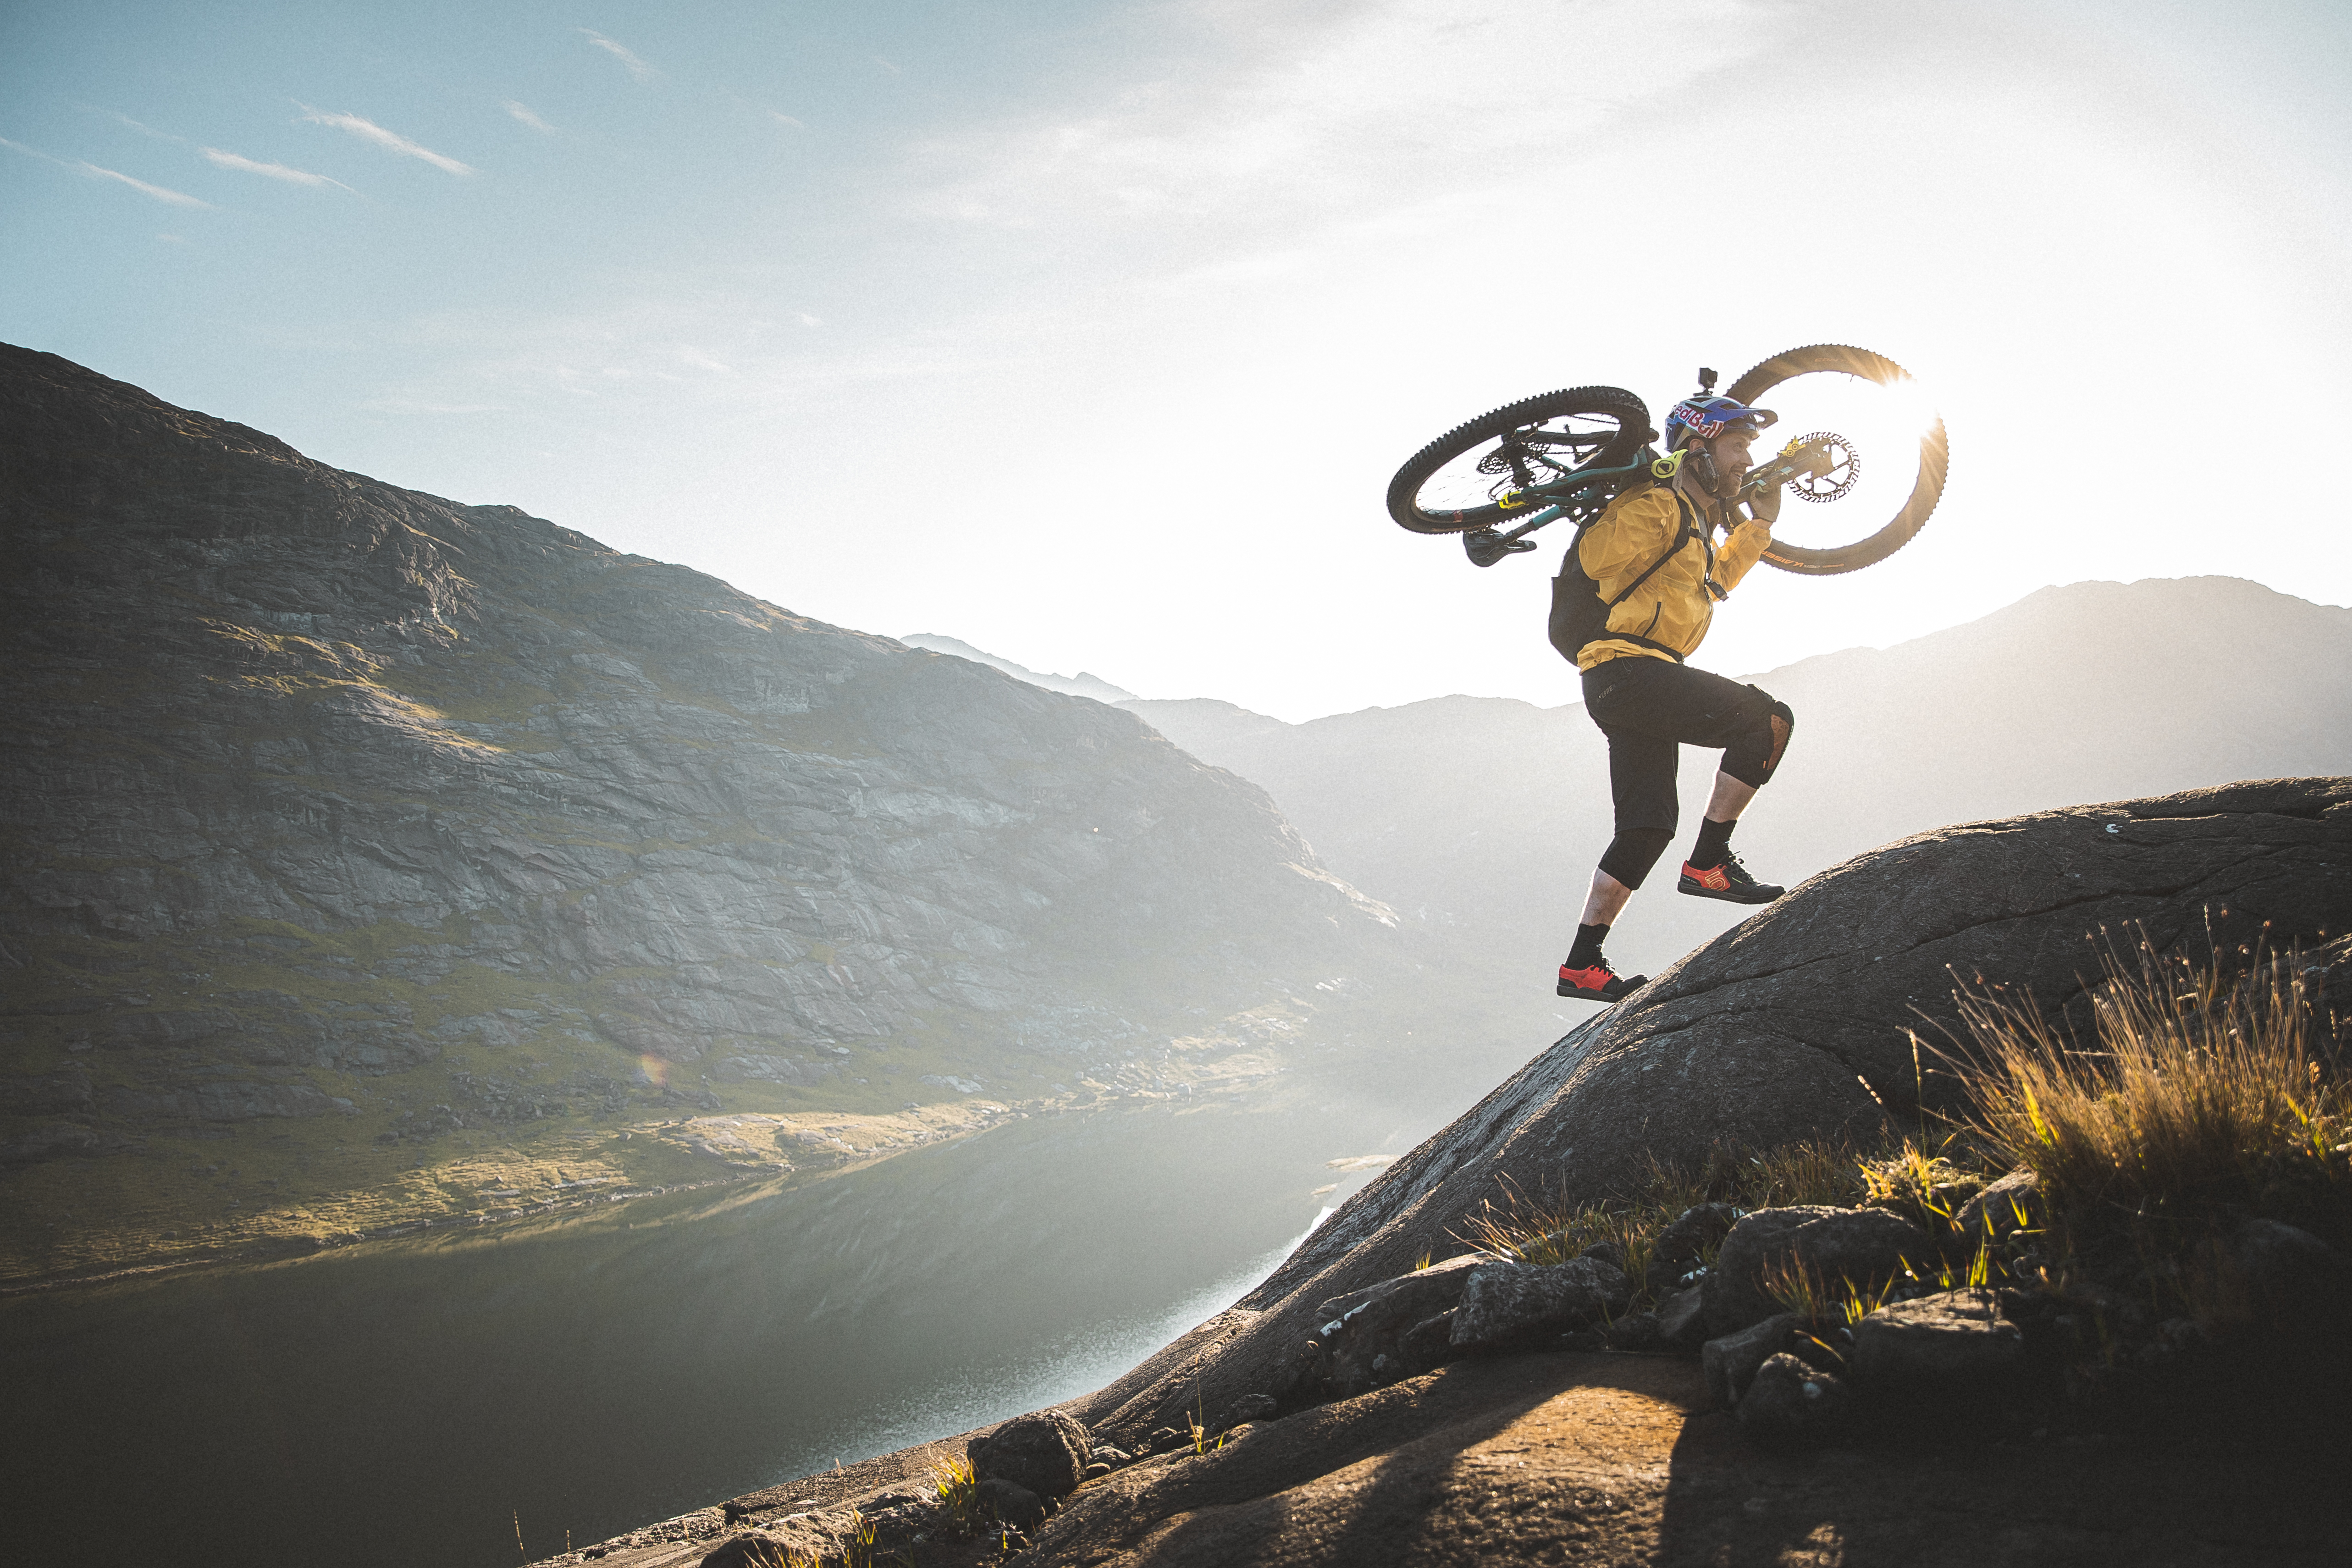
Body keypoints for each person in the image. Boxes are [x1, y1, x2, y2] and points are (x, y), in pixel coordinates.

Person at [1555, 392, 1796, 1002]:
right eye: (1737, 446)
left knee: (1647, 826)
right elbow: (1597, 556)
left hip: (1629, 680)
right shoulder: (1656, 504)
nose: (1745, 461)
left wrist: (1758, 527)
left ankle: (1581, 966)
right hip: (1628, 671)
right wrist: (1629, 493)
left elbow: (1711, 583)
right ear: (1698, 446)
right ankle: (1709, 864)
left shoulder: (1687, 522)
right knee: (1766, 720)